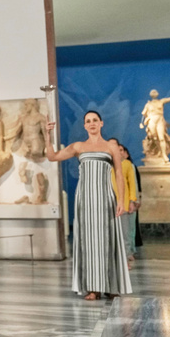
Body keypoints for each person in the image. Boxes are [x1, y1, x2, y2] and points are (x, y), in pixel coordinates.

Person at [45, 111, 131, 300]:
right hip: (85, 200)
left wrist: (121, 200)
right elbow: (52, 157)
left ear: (101, 123)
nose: (91, 124)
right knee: (89, 243)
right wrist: (47, 136)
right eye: (88, 121)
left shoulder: (111, 147)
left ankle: (111, 286)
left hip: (106, 199)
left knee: (108, 241)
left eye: (94, 120)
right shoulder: (78, 146)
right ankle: (93, 288)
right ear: (84, 126)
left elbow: (118, 173)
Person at [109, 138, 138, 267]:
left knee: (125, 233)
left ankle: (125, 259)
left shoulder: (126, 164)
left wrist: (132, 200)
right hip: (108, 203)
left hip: (123, 202)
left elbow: (132, 183)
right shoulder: (105, 164)